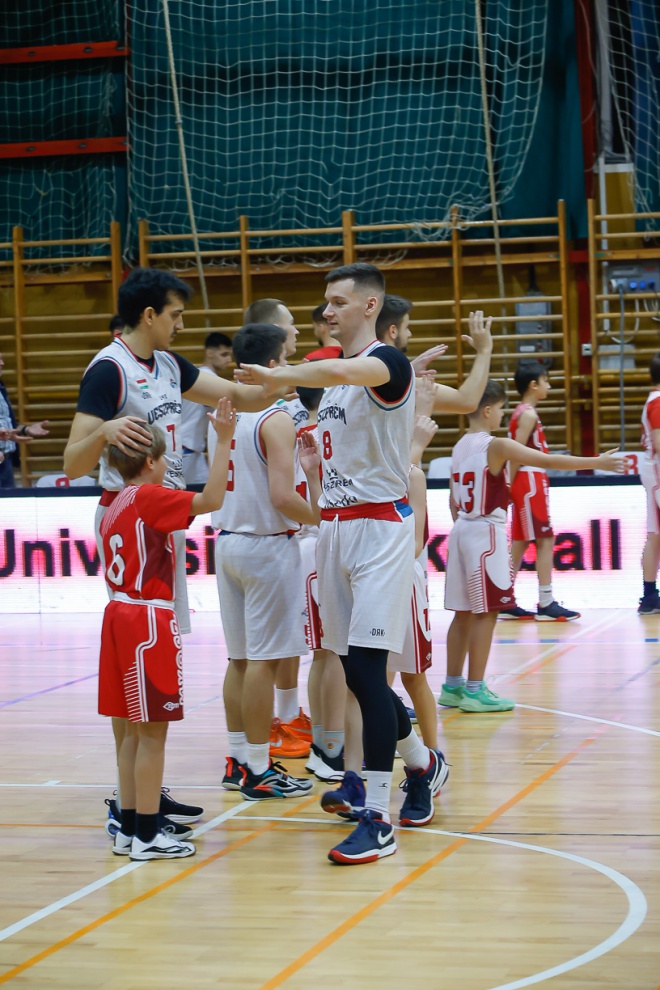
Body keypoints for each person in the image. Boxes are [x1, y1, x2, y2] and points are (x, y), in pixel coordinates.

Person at [236, 264, 498, 864]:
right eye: (326, 303)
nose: (327, 312)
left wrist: (281, 373)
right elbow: (338, 398)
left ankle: (377, 817)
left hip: (379, 530)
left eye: (337, 302)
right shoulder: (338, 385)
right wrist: (313, 469)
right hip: (334, 528)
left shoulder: (385, 363)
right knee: (355, 675)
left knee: (372, 672)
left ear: (370, 306)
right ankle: (422, 763)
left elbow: (338, 369)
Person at [64, 267, 280, 833]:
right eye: (176, 314)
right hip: (129, 512)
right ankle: (129, 803)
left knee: (146, 662)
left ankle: (142, 795)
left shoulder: (168, 365)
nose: (183, 324)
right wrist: (103, 433)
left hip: (163, 512)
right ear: (149, 314)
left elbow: (238, 395)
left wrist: (292, 377)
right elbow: (71, 461)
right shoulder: (108, 370)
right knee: (139, 666)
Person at [439, 381, 627, 714]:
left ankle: (452, 686)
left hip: (461, 530)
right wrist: (597, 460)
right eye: (500, 409)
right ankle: (476, 689)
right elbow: (547, 460)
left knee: (463, 613)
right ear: (487, 410)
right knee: (487, 613)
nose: (503, 415)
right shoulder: (496, 445)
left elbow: (453, 502)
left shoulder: (459, 447)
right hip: (486, 532)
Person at [101, 399, 236, 859]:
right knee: (152, 733)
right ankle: (146, 836)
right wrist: (223, 441)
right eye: (164, 458)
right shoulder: (149, 497)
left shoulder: (115, 502)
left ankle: (129, 828)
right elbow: (212, 500)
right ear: (150, 462)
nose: (167, 465)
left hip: (118, 614)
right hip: (146, 619)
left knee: (129, 732)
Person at [211, 323, 321, 800]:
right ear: (272, 365)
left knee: (238, 661)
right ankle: (258, 767)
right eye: (288, 360)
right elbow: (282, 496)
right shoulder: (275, 419)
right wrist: (323, 516)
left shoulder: (223, 412)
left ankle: (238, 759)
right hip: (266, 546)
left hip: (227, 542)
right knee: (262, 662)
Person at [295, 385, 347, 783]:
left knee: (322, 654)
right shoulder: (330, 433)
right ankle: (332, 747)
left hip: (306, 545)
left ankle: (322, 742)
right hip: (322, 540)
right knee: (334, 653)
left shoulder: (292, 430)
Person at [503, 360, 579, 622]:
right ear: (533, 385)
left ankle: (503, 598)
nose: (549, 386)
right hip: (529, 481)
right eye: (546, 381)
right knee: (545, 539)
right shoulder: (528, 414)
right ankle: (545, 602)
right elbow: (515, 453)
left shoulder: (523, 412)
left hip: (529, 481)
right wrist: (508, 485)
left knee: (521, 541)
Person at [180, 332, 233, 485]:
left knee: (205, 488)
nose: (229, 360)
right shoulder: (209, 378)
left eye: (229, 355)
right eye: (224, 354)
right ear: (209, 353)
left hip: (191, 450)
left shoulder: (197, 375)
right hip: (186, 448)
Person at [0, 351, 49, 488]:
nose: (2, 363)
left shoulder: (1, 387)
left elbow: (6, 425)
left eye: (2, 359)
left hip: (5, 461)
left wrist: (26, 430)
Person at [638, 352, 660, 614]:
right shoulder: (657, 402)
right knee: (654, 535)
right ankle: (649, 596)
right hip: (657, 471)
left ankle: (650, 596)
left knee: (655, 535)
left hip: (654, 471)